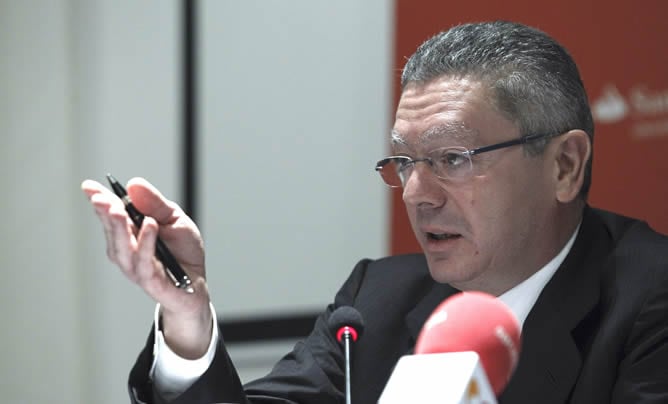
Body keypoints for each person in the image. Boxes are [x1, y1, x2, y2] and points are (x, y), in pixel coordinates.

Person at [82, 21, 668, 403]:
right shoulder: (376, 299)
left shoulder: (650, 300)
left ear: (564, 165)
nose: (417, 192)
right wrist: (188, 316)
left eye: (453, 157)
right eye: (404, 162)